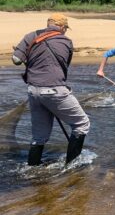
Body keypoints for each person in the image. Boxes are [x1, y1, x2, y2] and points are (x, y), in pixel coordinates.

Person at [12, 13, 90, 166]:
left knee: (38, 137)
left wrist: (27, 56)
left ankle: (32, 170)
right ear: (61, 27)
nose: (65, 31)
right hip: (55, 90)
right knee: (82, 124)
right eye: (65, 28)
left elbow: (16, 60)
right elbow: (64, 65)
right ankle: (72, 167)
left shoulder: (31, 36)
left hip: (33, 91)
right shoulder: (66, 41)